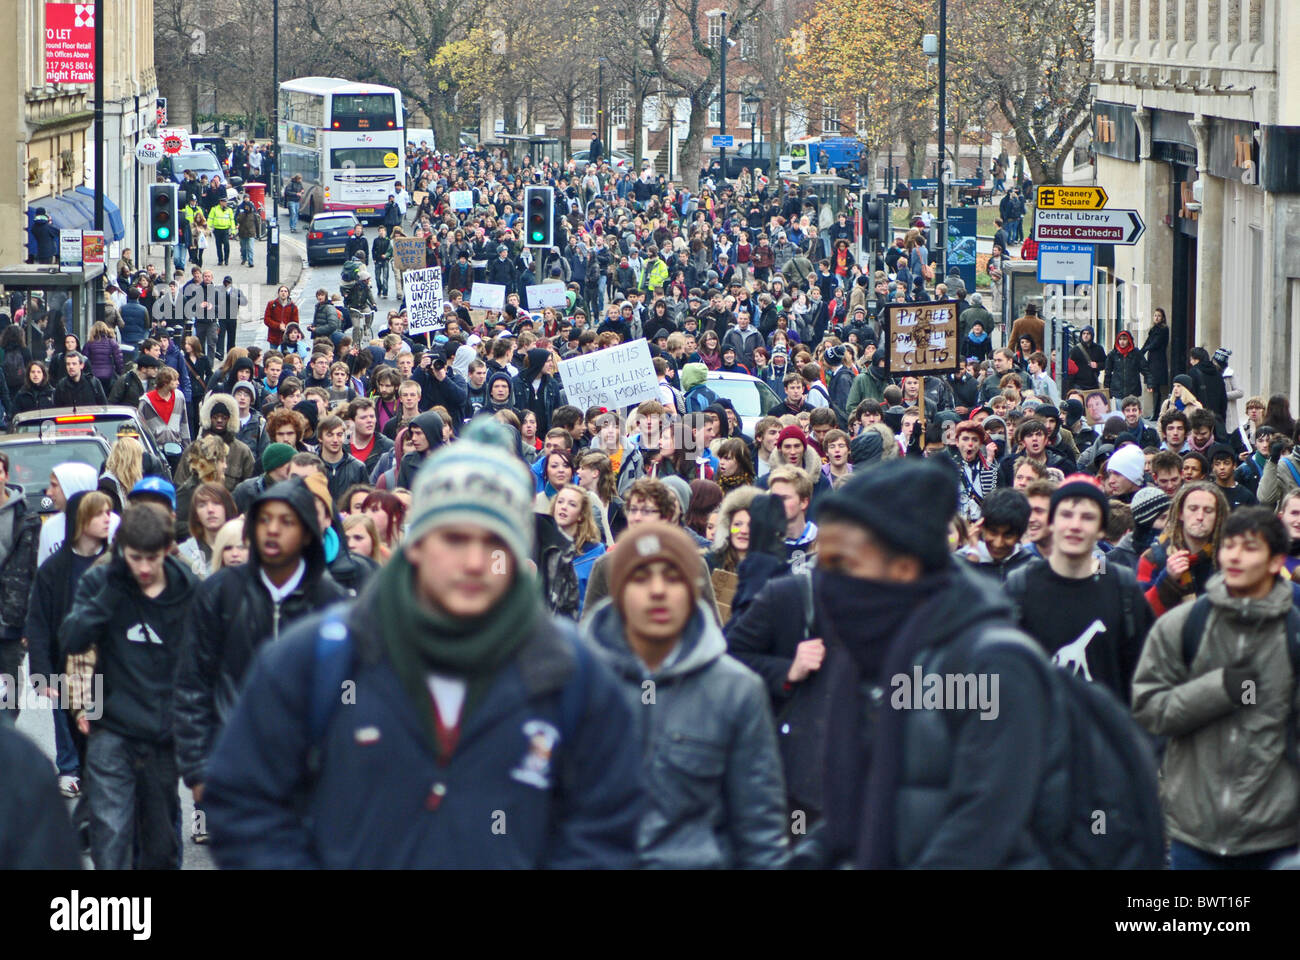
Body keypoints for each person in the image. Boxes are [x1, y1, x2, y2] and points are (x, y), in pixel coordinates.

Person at [202, 419, 644, 868]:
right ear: (415, 546)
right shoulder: (321, 656)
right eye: (452, 538)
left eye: (493, 544)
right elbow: (245, 798)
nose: (473, 562)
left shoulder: (570, 671)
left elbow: (608, 822)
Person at [798, 459, 1066, 867]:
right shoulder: (867, 658)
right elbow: (861, 809)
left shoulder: (994, 663)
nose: (827, 581)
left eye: (845, 565)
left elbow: (986, 825)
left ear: (904, 568)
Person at [582, 522, 789, 868]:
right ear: (617, 591)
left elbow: (759, 829)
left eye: (673, 577)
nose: (658, 591)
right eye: (641, 577)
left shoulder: (735, 690)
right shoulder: (575, 684)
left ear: (694, 591)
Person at [174, 478, 347, 842]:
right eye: (265, 520)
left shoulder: (330, 599)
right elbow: (193, 683)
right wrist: (197, 768)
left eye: (286, 521)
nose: (273, 530)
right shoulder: (219, 594)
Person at [1132, 507, 1300, 869]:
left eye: (1250, 548)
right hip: (1194, 833)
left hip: (1278, 836)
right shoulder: (1182, 625)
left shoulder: (1295, 633)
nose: (1236, 556)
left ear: (1275, 562)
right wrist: (1220, 689)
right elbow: (1148, 708)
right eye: (1230, 546)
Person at [61, 504, 198, 870]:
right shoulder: (102, 581)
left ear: (167, 549)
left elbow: (204, 662)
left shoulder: (186, 588)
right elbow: (72, 638)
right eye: (134, 558)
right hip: (113, 730)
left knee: (159, 844)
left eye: (151, 558)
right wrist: (112, 593)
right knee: (112, 833)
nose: (143, 568)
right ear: (122, 552)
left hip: (162, 732)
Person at [1004, 476, 1153, 703]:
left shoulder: (1122, 587)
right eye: (1066, 515)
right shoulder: (1020, 586)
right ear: (1052, 522)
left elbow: (1146, 676)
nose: (1075, 525)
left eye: (1087, 517)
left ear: (1102, 529)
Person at [1137, 481, 1228, 616]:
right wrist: (1168, 579)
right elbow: (1141, 613)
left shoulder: (1229, 559)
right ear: (1180, 513)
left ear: (1217, 517)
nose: (1200, 517)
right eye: (1193, 509)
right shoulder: (1154, 557)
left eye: (1208, 511)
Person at [0, 452, 42, 729]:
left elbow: (33, 572)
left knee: (11, 695)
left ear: (5, 475)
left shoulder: (26, 518)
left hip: (12, 621)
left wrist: (30, 623)